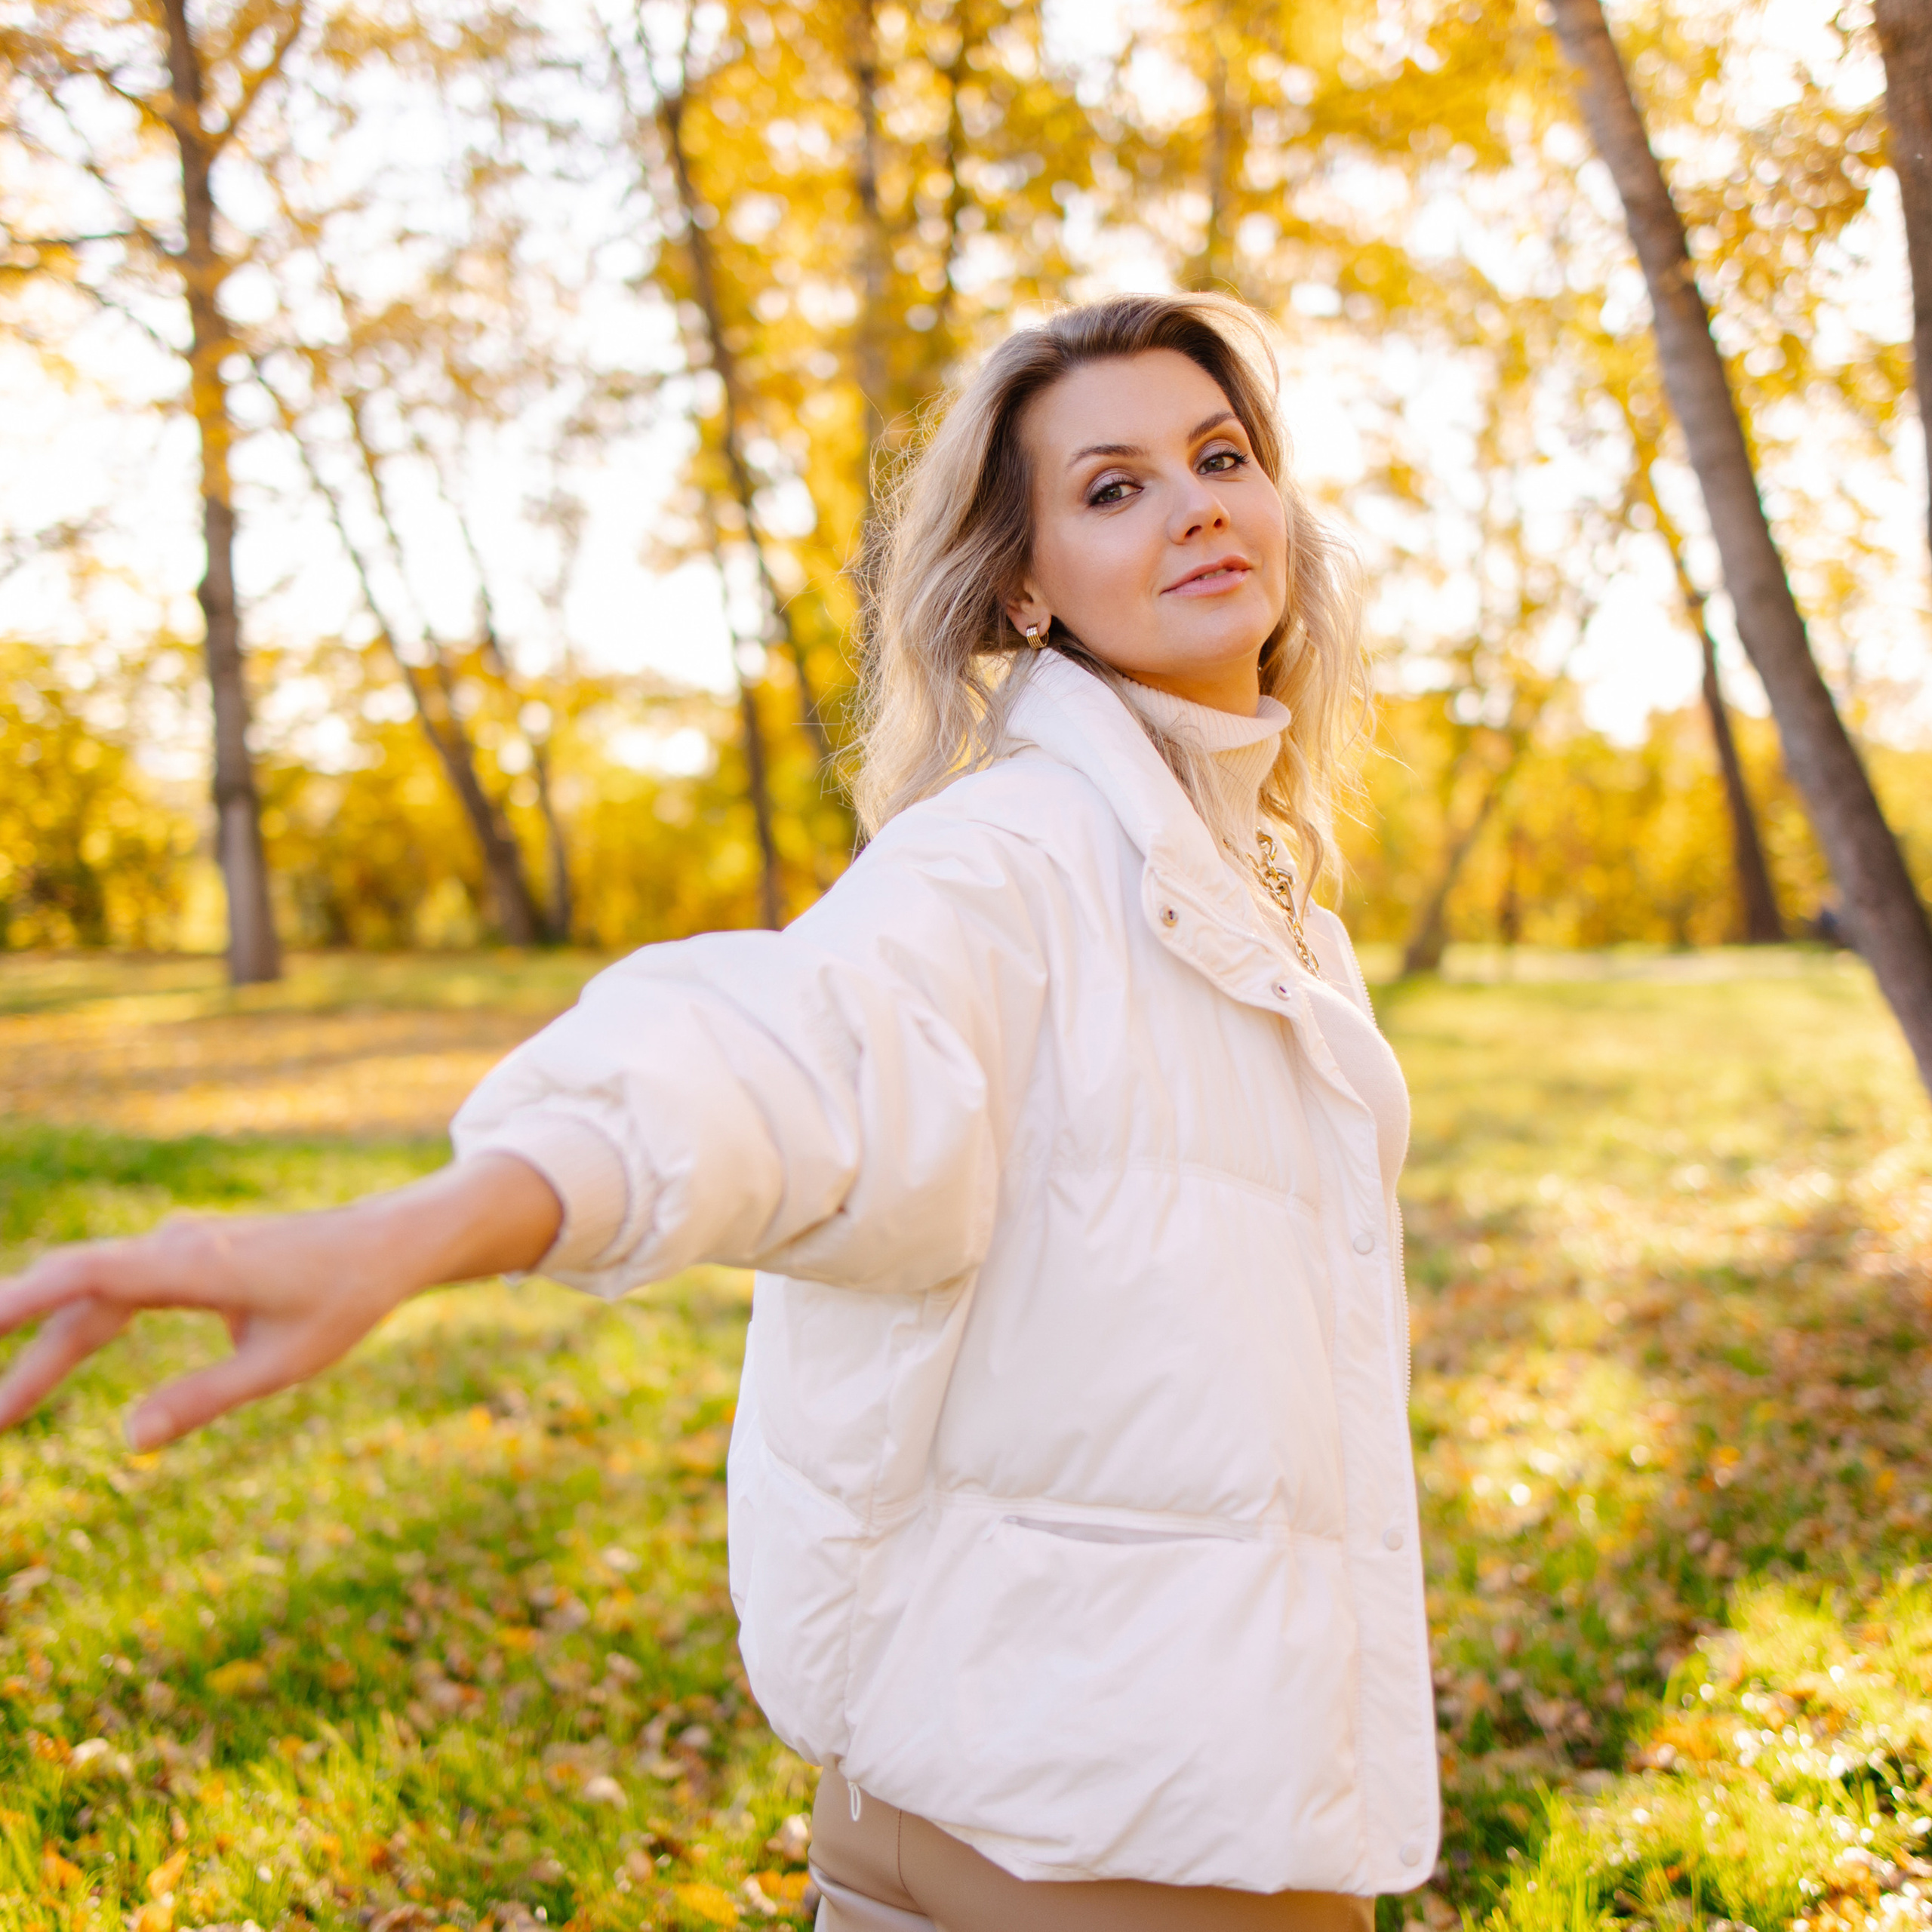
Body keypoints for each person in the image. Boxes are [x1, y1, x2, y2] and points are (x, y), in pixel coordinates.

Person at [0, 294, 1438, 1930]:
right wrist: (407, 1230)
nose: (1190, 503)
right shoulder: (1004, 861)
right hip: (1087, 1835)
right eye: (1111, 485)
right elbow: (780, 1056)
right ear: (1025, 586)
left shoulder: (1272, 909)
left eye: (1219, 456)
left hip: (1132, 1777)